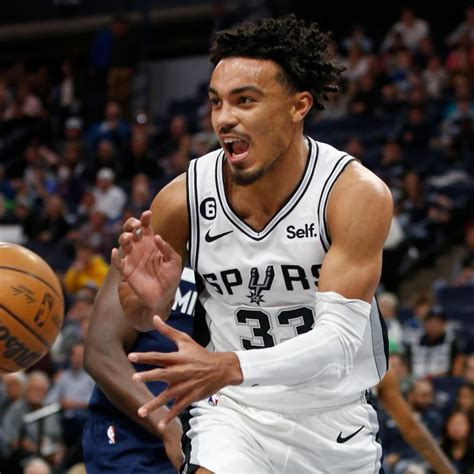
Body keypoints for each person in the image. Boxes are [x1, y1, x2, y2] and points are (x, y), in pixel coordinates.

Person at [108, 15, 392, 472]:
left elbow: (338, 342)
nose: (224, 119)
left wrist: (228, 365)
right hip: (234, 413)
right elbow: (138, 318)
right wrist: (150, 303)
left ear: (299, 106)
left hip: (333, 421)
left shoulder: (352, 194)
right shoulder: (181, 200)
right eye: (216, 102)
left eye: (245, 101)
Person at [83, 269, 196, 473]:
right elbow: (100, 352)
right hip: (134, 440)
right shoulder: (152, 252)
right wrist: (169, 428)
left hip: (212, 436)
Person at [376, 369, 455, 474]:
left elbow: (433, 448)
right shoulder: (388, 417)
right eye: (424, 395)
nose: (428, 400)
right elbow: (380, 441)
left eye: (430, 395)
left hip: (417, 462)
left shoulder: (434, 418)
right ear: (411, 394)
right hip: (387, 460)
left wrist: (400, 456)